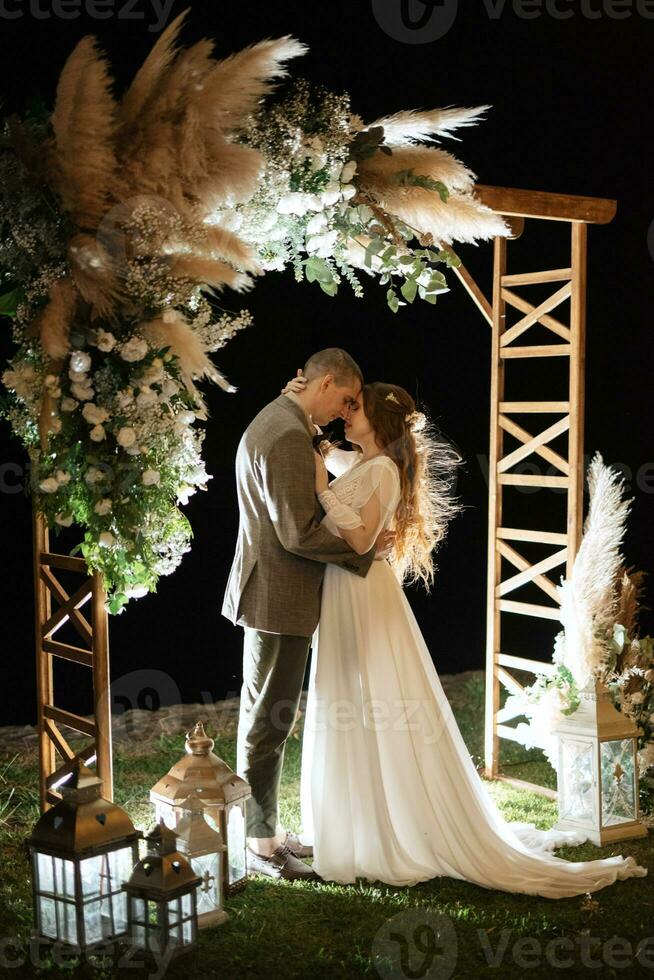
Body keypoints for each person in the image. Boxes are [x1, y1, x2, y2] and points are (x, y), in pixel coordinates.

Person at [281, 371, 648, 899]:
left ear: (379, 420)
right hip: (349, 591)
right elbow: (338, 472)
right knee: (353, 699)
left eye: (355, 406)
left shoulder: (382, 469)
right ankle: (356, 822)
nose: (345, 412)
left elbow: (361, 538)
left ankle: (382, 827)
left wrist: (320, 487)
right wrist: (309, 423)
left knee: (371, 699)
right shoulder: (367, 463)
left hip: (361, 589)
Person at [222, 348, 395, 882]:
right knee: (269, 722)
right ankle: (260, 842)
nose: (342, 413)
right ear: (323, 383)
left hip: (271, 591)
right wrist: (361, 552)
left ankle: (262, 829)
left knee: (264, 716)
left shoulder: (281, 420)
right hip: (279, 595)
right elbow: (296, 531)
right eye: (343, 399)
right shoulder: (287, 435)